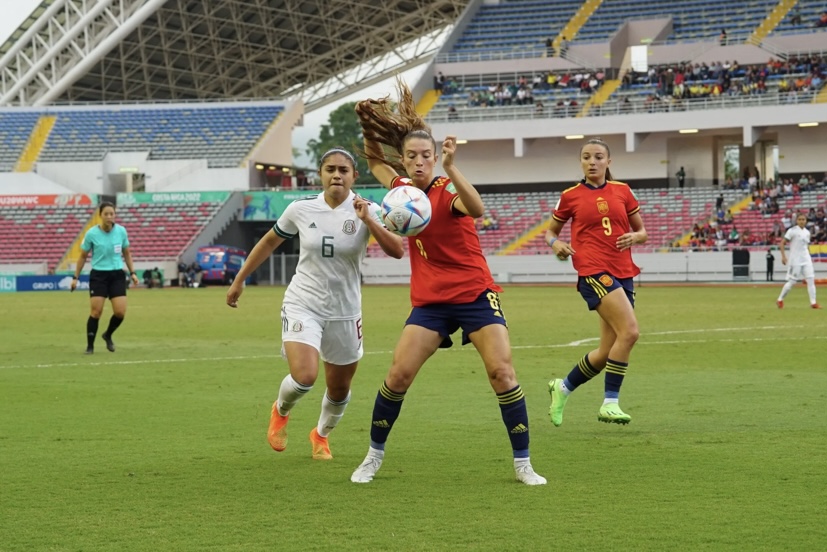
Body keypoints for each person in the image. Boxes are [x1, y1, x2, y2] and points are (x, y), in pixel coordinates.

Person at [351, 79, 546, 486]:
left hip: (475, 293)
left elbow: (475, 207)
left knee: (502, 373)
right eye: (411, 156)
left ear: (436, 157)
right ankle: (372, 456)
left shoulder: (445, 190)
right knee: (398, 375)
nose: (419, 162)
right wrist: (368, 122)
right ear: (404, 160)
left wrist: (454, 169)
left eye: (427, 155)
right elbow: (373, 162)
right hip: (431, 301)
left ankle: (523, 463)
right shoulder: (402, 192)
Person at [226, 147, 404, 460]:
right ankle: (281, 411)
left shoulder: (369, 209)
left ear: (353, 175)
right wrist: (240, 279)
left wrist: (369, 221)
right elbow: (269, 241)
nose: (337, 175)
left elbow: (397, 250)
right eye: (330, 169)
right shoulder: (301, 209)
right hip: (303, 302)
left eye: (343, 170)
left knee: (338, 389)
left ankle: (320, 436)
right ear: (320, 175)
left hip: (345, 310)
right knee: (305, 376)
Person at [545, 137, 648, 426]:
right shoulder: (571, 195)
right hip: (593, 270)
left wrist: (635, 237)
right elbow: (551, 232)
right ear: (581, 162)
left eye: (599, 157)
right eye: (587, 157)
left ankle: (562, 388)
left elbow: (642, 231)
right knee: (630, 332)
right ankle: (610, 403)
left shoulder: (622, 191)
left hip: (623, 271)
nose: (593, 162)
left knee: (606, 352)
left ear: (608, 162)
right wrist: (556, 245)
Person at [70, 202, 140, 354]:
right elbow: (82, 256)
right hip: (99, 275)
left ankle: (108, 334)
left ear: (115, 215)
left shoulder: (121, 231)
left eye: (112, 214)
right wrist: (75, 277)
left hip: (117, 275)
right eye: (106, 214)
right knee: (96, 312)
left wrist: (133, 272)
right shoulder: (91, 234)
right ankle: (90, 347)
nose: (109, 216)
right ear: (100, 215)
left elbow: (127, 253)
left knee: (120, 313)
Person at [777, 213, 821, 309]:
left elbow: (806, 246)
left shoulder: (807, 232)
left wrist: (809, 256)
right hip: (795, 260)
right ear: (797, 221)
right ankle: (780, 299)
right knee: (792, 282)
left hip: (806, 259)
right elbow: (782, 243)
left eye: (803, 219)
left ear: (806, 221)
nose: (802, 221)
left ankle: (813, 303)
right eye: (800, 219)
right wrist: (783, 256)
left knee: (811, 280)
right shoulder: (792, 231)